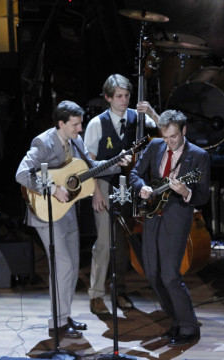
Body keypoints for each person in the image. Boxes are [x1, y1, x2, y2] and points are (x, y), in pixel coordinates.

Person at [15, 100, 131, 338]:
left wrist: (116, 162)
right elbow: (22, 173)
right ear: (61, 124)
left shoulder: (75, 142)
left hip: (66, 210)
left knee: (72, 265)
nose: (80, 129)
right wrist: (52, 188)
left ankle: (64, 317)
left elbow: (92, 168)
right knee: (63, 265)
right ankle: (56, 323)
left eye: (80, 124)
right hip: (45, 211)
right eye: (76, 124)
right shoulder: (43, 142)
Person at [129, 109, 210, 346]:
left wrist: (187, 192)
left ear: (184, 131)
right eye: (165, 137)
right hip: (152, 215)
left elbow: (203, 195)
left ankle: (189, 327)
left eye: (173, 137)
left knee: (170, 275)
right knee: (152, 273)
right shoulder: (155, 147)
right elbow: (135, 173)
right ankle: (176, 318)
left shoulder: (198, 156)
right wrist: (141, 186)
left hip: (177, 217)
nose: (169, 143)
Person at [83, 74, 159, 315]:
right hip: (104, 184)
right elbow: (88, 163)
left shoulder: (138, 119)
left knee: (126, 240)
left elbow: (168, 131)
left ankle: (120, 290)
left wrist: (153, 114)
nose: (124, 100)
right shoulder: (97, 123)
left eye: (127, 96)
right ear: (107, 98)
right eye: (119, 97)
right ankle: (96, 295)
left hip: (131, 185)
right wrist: (95, 192)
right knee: (105, 243)